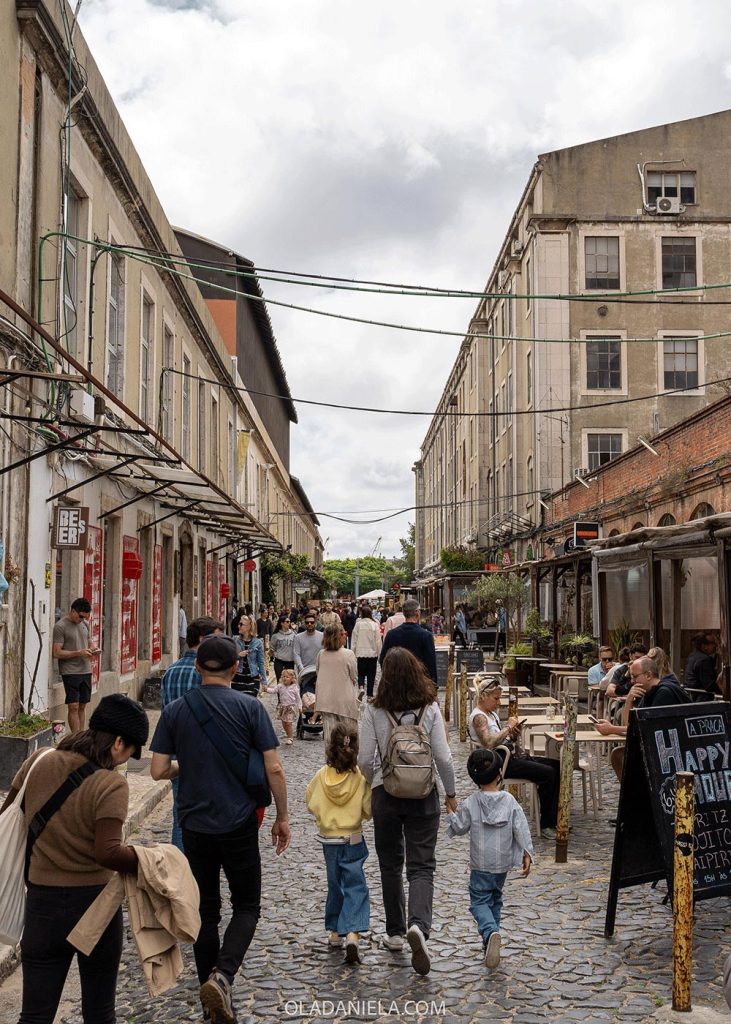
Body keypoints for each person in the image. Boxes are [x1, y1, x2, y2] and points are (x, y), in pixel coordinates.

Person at [150, 635, 290, 1024]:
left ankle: (210, 1004)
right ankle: (223, 977)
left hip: (195, 824)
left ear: (197, 667)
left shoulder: (176, 710)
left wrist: (184, 767)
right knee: (246, 905)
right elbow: (274, 767)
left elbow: (159, 770)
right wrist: (282, 816)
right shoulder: (250, 708)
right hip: (239, 822)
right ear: (234, 669)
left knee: (206, 910)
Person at [2, 694, 149, 1024]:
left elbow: (11, 813)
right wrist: (147, 859)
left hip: (41, 905)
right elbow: (107, 852)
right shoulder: (110, 785)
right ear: (118, 743)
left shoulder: (39, 760)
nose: (127, 760)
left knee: (35, 1015)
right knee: (99, 1013)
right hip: (94, 909)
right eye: (130, 752)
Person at [358, 648, 456, 976]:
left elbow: (365, 757)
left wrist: (367, 789)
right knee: (422, 865)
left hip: (386, 793)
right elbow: (443, 757)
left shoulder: (374, 709)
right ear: (417, 672)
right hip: (424, 794)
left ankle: (396, 933)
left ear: (385, 675)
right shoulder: (429, 708)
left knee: (389, 864)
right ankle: (420, 927)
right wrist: (451, 793)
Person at [446, 748, 533, 968]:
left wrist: (450, 812)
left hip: (481, 864)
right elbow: (520, 827)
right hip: (502, 864)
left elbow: (458, 827)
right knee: (495, 899)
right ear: (499, 774)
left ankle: (490, 931)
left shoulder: (472, 803)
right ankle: (490, 940)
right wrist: (527, 853)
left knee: (478, 902)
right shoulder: (510, 801)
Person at [306, 722, 371, 964]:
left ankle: (334, 930)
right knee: (355, 885)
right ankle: (352, 933)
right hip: (352, 837)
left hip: (328, 839)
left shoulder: (321, 776)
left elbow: (310, 801)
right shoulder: (360, 779)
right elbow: (367, 809)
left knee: (335, 884)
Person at [468, 675, 560, 839]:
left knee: (556, 765)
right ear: (483, 696)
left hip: (510, 756)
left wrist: (513, 734)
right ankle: (547, 824)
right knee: (548, 773)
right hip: (499, 763)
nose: (499, 703)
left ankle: (555, 818)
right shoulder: (479, 716)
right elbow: (489, 743)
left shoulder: (490, 714)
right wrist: (508, 728)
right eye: (496, 698)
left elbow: (500, 737)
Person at [161, 616, 225, 851]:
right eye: (217, 639)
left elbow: (164, 715)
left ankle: (179, 867)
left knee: (180, 816)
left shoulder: (170, 672)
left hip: (178, 755)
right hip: (206, 755)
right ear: (202, 640)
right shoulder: (207, 673)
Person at [596, 655, 691, 779]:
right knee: (618, 754)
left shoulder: (664, 693)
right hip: (659, 747)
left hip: (675, 750)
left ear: (648, 675)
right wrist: (629, 699)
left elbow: (646, 729)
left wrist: (612, 729)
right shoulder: (648, 692)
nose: (633, 681)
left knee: (620, 755)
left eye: (635, 677)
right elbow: (629, 724)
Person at [52, 597, 95, 734]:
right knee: (73, 706)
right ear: (73, 611)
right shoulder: (60, 626)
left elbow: (89, 642)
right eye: (81, 616)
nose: (82, 620)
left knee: (82, 705)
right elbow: (57, 653)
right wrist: (78, 653)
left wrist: (94, 649)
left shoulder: (85, 624)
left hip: (85, 669)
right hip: (70, 671)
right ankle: (75, 737)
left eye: (85, 618)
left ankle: (81, 735)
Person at [315, 623, 359, 745]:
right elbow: (354, 676)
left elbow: (318, 672)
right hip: (344, 700)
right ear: (339, 636)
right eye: (344, 634)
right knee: (348, 736)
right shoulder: (348, 654)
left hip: (326, 700)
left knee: (330, 737)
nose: (345, 636)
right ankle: (347, 761)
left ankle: (331, 761)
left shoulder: (321, 654)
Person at [380, 598, 438, 683]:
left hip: (396, 682)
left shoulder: (391, 635)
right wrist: (433, 685)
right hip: (419, 683)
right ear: (417, 613)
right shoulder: (426, 636)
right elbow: (431, 663)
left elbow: (383, 659)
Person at [351, 605, 382, 699]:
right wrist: (380, 653)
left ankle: (361, 687)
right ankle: (369, 694)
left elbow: (354, 639)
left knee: (360, 672)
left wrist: (353, 652)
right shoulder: (374, 624)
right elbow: (378, 641)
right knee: (371, 674)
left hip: (360, 653)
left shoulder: (358, 624)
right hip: (372, 654)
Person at [266, 667, 302, 745]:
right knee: (284, 723)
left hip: (290, 708)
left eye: (287, 677)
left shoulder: (294, 688)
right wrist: (266, 689)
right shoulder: (280, 686)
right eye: (284, 676)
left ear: (292, 679)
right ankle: (288, 733)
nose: (285, 678)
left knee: (288, 723)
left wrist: (300, 707)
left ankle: (290, 737)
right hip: (282, 707)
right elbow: (273, 691)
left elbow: (298, 698)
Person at [234, 615, 266, 694]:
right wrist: (238, 655)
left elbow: (261, 662)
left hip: (252, 678)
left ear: (249, 626)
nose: (239, 626)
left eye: (241, 624)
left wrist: (264, 682)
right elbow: (228, 658)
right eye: (239, 624)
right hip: (237, 679)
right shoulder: (234, 640)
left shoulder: (258, 642)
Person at [294, 612, 324, 677]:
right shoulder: (298, 637)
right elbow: (296, 654)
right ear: (304, 624)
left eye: (312, 622)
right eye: (307, 623)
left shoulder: (323, 636)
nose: (309, 624)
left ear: (315, 623)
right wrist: (301, 668)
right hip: (304, 672)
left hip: (319, 671)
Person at [269, 614, 297, 681]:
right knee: (280, 681)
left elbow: (297, 647)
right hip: (279, 661)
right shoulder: (275, 636)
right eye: (287, 622)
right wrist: (273, 654)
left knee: (289, 681)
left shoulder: (294, 634)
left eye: (289, 622)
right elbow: (272, 648)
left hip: (290, 661)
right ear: (281, 623)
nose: (289, 623)